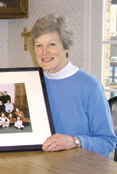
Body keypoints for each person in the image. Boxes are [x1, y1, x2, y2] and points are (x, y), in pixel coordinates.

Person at [30, 14, 117, 158]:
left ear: (66, 47)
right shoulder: (33, 83)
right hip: (45, 167)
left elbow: (108, 142)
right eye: (39, 45)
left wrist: (74, 141)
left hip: (83, 170)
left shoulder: (90, 86)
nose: (44, 52)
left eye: (52, 44)